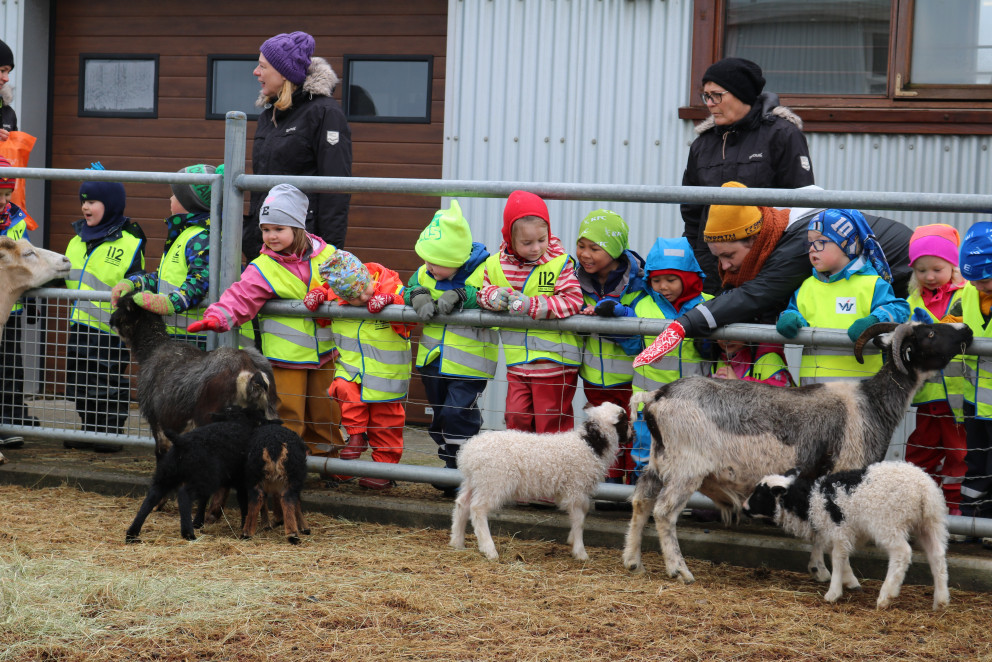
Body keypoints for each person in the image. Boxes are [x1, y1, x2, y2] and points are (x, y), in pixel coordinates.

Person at [633, 182, 913, 367]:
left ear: (753, 241)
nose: (725, 267)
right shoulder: (782, 232)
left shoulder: (802, 243)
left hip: (908, 281)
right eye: (718, 258)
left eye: (728, 256)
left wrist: (685, 323)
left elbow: (758, 293)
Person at [188, 184, 344, 462]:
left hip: (327, 353)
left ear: (298, 228)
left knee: (326, 410)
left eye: (278, 229)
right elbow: (241, 295)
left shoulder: (329, 255)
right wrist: (218, 316)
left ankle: (328, 463)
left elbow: (353, 281)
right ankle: (287, 463)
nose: (270, 236)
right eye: (265, 229)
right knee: (288, 413)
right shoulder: (263, 267)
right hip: (286, 357)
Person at [681, 57, 815, 294]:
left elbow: (801, 205)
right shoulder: (703, 144)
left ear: (740, 93)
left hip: (766, 264)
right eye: (706, 96)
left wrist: (780, 261)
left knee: (760, 330)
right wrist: (698, 259)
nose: (710, 104)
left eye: (716, 95)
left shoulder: (782, 135)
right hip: (712, 268)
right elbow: (692, 211)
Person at [404, 200, 495, 494]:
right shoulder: (424, 272)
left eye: (436, 261)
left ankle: (463, 469)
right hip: (433, 360)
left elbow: (488, 295)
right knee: (440, 415)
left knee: (459, 413)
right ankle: (450, 463)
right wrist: (415, 294)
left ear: (457, 257)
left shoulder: (484, 269)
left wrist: (461, 295)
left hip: (469, 364)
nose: (428, 266)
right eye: (426, 260)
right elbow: (407, 286)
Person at [478, 191, 584, 434]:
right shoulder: (494, 263)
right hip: (518, 363)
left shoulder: (560, 262)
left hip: (556, 362)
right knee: (516, 420)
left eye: (542, 239)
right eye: (527, 243)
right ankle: (522, 471)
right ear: (509, 237)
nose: (536, 248)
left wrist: (532, 306)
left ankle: (553, 472)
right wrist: (493, 297)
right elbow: (482, 292)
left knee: (550, 429)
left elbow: (573, 300)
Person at [312, 248, 413, 490]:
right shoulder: (336, 295)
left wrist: (392, 303)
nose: (363, 299)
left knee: (386, 423)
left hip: (386, 375)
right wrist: (316, 297)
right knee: (343, 390)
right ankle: (355, 440)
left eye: (364, 291)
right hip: (351, 368)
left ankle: (383, 470)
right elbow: (323, 317)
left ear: (367, 277)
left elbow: (411, 312)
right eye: (353, 298)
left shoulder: (389, 284)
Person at [245, 31, 352, 261]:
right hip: (266, 246)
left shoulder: (324, 113)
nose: (256, 72)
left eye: (262, 66)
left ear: (283, 73)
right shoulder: (268, 116)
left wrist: (330, 256)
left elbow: (336, 189)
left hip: (303, 249)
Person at [775, 208, 909, 384]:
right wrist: (790, 318)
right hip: (813, 392)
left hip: (862, 391)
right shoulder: (806, 287)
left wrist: (874, 321)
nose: (813, 249)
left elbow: (899, 309)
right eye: (809, 243)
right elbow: (795, 312)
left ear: (846, 244)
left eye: (821, 241)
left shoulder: (872, 284)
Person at [64, 177, 146, 451]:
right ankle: (89, 429)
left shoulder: (130, 243)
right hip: (79, 325)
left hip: (110, 330)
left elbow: (136, 282)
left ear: (110, 205)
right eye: (83, 201)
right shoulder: (77, 240)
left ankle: (109, 433)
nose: (85, 207)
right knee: (79, 379)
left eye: (92, 202)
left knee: (106, 380)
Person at [616, 237, 709, 479]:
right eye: (656, 280)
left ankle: (681, 497)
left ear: (688, 278)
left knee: (687, 451)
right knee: (644, 449)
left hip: (692, 402)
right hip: (649, 399)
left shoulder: (708, 306)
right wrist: (617, 327)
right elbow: (634, 345)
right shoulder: (643, 305)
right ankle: (642, 493)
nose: (663, 286)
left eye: (671, 279)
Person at [110, 164, 216, 348]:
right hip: (181, 336)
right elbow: (161, 279)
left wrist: (169, 303)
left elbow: (200, 282)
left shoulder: (203, 237)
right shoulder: (186, 235)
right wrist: (133, 283)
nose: (170, 198)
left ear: (188, 203)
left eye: (175, 194)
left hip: (200, 339)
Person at [903, 224, 968, 515]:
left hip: (959, 399)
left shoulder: (967, 297)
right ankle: (917, 509)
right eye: (921, 270)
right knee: (920, 451)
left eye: (936, 269)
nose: (928, 276)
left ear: (953, 266)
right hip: (927, 394)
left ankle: (955, 512)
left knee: (959, 455)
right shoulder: (912, 301)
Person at [576, 208, 645, 483]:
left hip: (630, 380)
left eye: (595, 248)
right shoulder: (574, 280)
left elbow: (639, 341)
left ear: (615, 251)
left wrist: (611, 324)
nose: (585, 254)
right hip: (594, 378)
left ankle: (631, 487)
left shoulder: (639, 287)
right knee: (601, 436)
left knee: (631, 432)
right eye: (581, 245)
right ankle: (608, 488)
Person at [952, 222, 992, 538]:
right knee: (975, 463)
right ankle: (969, 523)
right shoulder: (966, 293)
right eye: (974, 281)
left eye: (987, 281)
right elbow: (951, 323)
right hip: (975, 403)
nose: (980, 287)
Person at [0, 156, 29, 448]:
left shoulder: (17, 219)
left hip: (11, 307)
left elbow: (27, 254)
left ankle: (11, 420)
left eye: (7, 194)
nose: (3, 200)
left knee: (10, 365)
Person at [708, 339, 793, 387]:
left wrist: (739, 384)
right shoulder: (717, 361)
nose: (726, 340)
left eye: (733, 332)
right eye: (720, 334)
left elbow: (783, 394)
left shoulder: (769, 358)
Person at [0, 39, 16, 141]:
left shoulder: (8, 113)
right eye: (2, 70)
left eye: (8, 72)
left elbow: (14, 156)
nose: (7, 78)